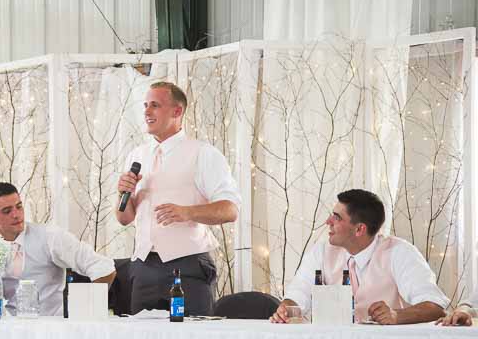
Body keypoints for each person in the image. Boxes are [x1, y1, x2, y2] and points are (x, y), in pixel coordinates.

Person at [116, 81, 240, 316]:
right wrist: (123, 194)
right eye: (145, 105)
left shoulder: (203, 153)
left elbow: (230, 210)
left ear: (177, 111)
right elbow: (124, 218)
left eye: (155, 105)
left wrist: (187, 212)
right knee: (142, 337)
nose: (147, 111)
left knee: (192, 336)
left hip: (187, 266)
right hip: (143, 268)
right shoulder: (136, 155)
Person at [270, 189, 447, 325]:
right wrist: (286, 310)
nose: (328, 222)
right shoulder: (321, 251)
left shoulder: (400, 252)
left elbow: (434, 306)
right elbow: (298, 293)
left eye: (337, 218)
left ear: (359, 229)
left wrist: (396, 315)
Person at [0, 182, 115, 316]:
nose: (16, 214)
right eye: (7, 211)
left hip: (50, 331)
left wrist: (83, 313)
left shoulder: (50, 237)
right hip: (5, 334)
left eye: (19, 206)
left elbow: (104, 268)